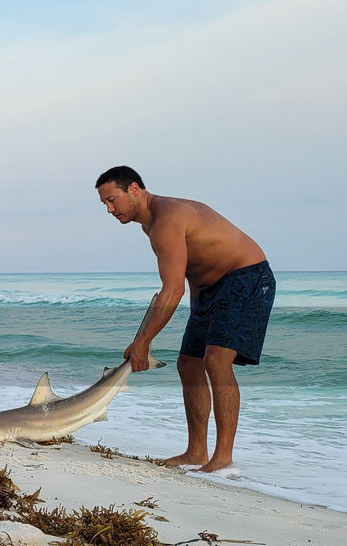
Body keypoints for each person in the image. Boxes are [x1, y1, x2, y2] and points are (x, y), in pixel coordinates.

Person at [95, 166, 275, 473]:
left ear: (134, 190)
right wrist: (198, 308)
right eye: (105, 204)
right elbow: (187, 271)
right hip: (208, 291)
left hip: (246, 278)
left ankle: (223, 458)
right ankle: (196, 451)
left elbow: (171, 289)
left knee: (216, 361)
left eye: (113, 200)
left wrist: (142, 342)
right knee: (188, 363)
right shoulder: (150, 226)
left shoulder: (168, 219)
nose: (110, 209)